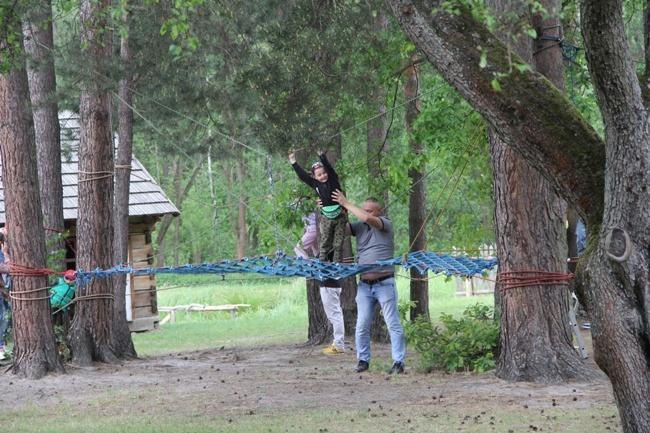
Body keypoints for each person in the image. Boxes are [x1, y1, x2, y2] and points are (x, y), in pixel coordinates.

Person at [332, 190, 406, 374]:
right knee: (362, 324)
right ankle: (363, 360)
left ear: (379, 212)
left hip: (385, 284)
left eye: (370, 211)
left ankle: (399, 362)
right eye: (364, 210)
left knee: (392, 323)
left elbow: (367, 218)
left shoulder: (385, 224)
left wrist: (347, 203)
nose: (366, 213)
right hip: (364, 286)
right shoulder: (359, 226)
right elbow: (341, 228)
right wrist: (331, 208)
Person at [289, 150, 348, 263]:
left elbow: (329, 168)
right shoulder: (315, 184)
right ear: (315, 177)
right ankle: (322, 261)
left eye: (324, 173)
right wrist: (293, 160)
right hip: (327, 217)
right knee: (325, 242)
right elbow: (302, 175)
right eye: (319, 175)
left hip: (340, 216)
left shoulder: (333, 180)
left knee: (338, 243)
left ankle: (337, 263)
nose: (322, 176)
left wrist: (322, 156)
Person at [320, 277, 345, 355]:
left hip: (329, 287)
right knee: (335, 315)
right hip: (331, 286)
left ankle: (338, 345)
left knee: (335, 316)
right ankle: (338, 344)